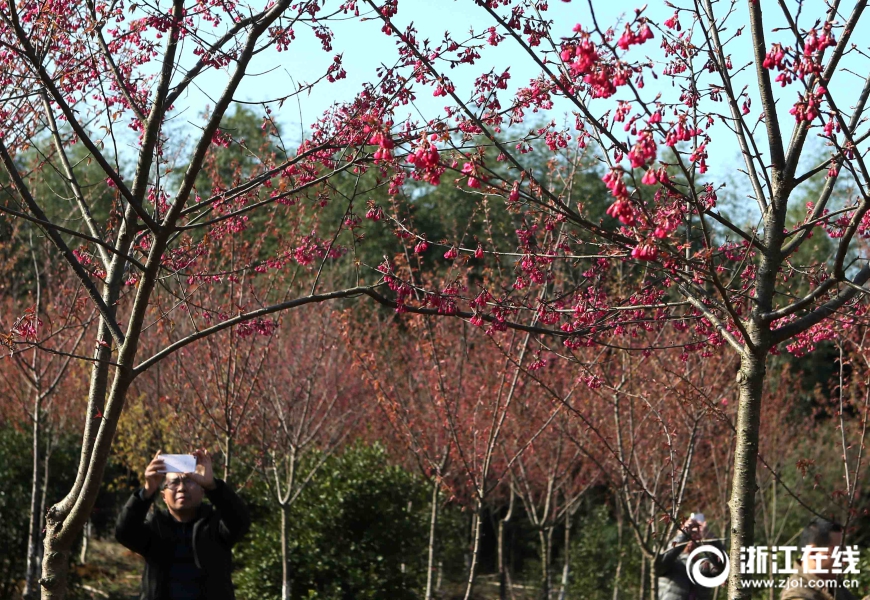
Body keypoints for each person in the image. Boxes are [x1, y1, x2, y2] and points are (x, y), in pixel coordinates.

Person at [115, 448, 251, 600]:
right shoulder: (155, 527)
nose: (181, 488)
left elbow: (240, 521)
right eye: (173, 483)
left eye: (189, 481)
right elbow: (124, 532)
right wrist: (147, 491)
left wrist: (213, 486)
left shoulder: (215, 526)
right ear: (163, 496)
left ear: (202, 490)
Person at [780, 518, 861, 600]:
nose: (845, 559)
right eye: (838, 552)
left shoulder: (831, 585)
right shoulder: (795, 594)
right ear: (813, 553)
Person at [656, 515, 726, 600]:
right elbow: (661, 564)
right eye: (689, 534)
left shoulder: (705, 565)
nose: (691, 537)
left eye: (696, 534)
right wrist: (683, 535)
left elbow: (723, 566)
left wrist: (711, 538)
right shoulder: (673, 562)